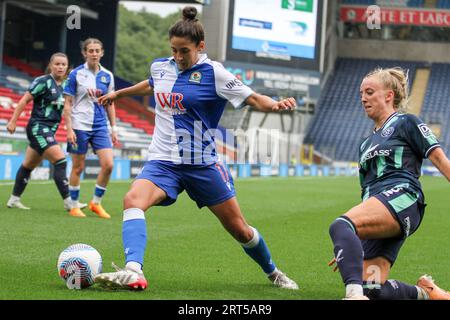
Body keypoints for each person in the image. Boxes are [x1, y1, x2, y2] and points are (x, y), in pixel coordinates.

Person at [93, 6, 298, 291]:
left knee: (239, 228)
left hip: (201, 163)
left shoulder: (215, 73)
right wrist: (119, 93)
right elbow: (151, 85)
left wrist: (275, 105)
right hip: (163, 161)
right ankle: (133, 270)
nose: (178, 57)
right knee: (132, 200)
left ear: (200, 47)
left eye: (184, 51)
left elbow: (252, 98)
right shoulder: (161, 66)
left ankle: (273, 271)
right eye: (174, 50)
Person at [328, 67, 450, 300]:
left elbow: (440, 160)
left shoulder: (407, 122)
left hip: (403, 198)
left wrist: (350, 227)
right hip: (382, 209)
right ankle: (425, 293)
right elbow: (367, 193)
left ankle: (353, 296)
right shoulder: (365, 144)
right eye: (361, 93)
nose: (363, 98)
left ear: (388, 96)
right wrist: (355, 235)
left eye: (370, 92)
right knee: (372, 288)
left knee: (339, 225)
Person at [6, 53, 78, 212]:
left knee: (28, 165)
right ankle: (69, 202)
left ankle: (14, 199)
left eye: (63, 64)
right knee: (60, 160)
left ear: (67, 67)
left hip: (50, 130)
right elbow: (24, 100)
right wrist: (13, 120)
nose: (60, 67)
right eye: (57, 64)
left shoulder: (66, 85)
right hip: (38, 127)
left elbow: (67, 109)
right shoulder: (42, 82)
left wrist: (70, 129)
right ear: (50, 65)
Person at [63, 38, 118, 218]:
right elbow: (68, 103)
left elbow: (110, 103)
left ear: (102, 52)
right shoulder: (76, 74)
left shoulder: (107, 76)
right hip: (79, 125)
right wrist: (69, 129)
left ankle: (96, 203)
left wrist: (114, 128)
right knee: (78, 167)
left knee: (108, 165)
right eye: (90, 51)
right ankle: (73, 205)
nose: (94, 54)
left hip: (100, 126)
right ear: (84, 53)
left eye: (97, 51)